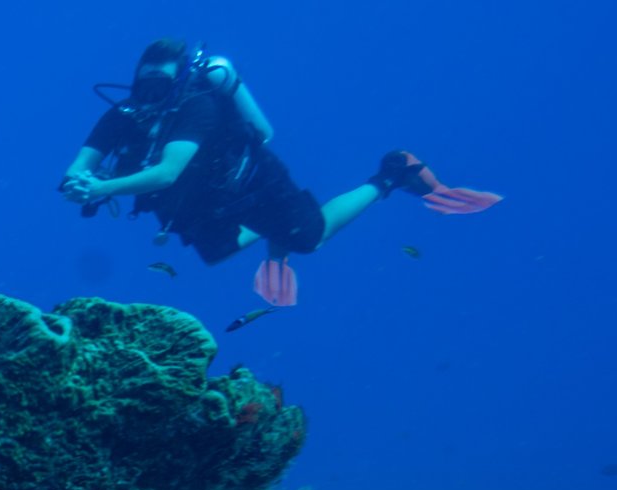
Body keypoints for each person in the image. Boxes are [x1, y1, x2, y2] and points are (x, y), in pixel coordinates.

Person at [59, 39, 500, 305]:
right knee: (216, 252)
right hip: (203, 206)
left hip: (254, 184)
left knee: (309, 237)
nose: (149, 92)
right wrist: (78, 182)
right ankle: (277, 235)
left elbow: (168, 172)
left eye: (159, 84)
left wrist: (101, 187)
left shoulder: (197, 105)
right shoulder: (123, 115)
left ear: (176, 84)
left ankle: (390, 173)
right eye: (144, 84)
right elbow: (78, 169)